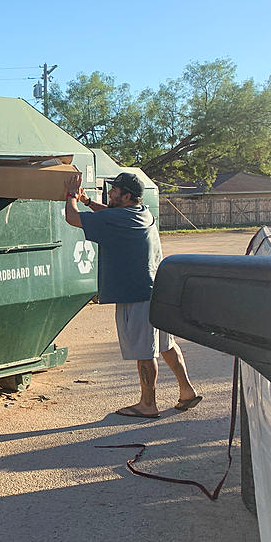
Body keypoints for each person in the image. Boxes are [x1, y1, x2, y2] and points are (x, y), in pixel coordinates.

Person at [64, 171, 201, 418]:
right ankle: (187, 391)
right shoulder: (142, 212)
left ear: (127, 196)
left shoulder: (119, 217)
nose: (110, 193)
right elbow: (109, 213)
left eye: (115, 191)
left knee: (144, 351)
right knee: (166, 345)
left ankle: (148, 404)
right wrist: (87, 201)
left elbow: (72, 218)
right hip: (156, 291)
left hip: (136, 293)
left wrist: (71, 194)